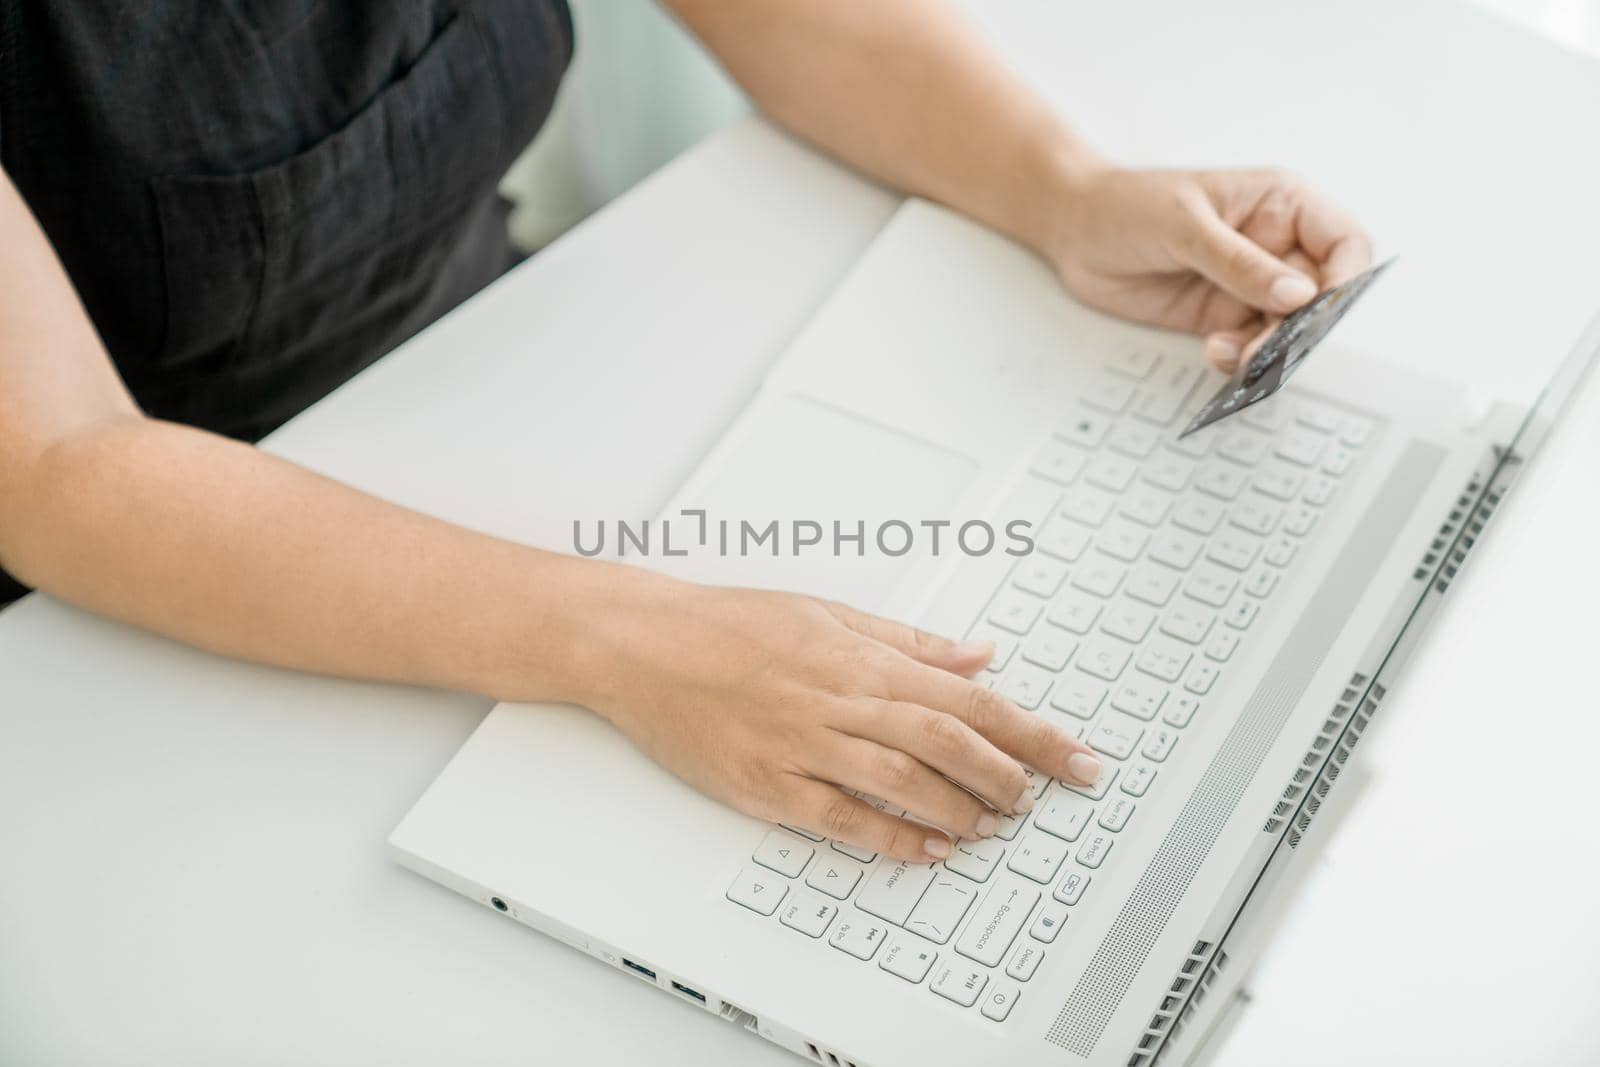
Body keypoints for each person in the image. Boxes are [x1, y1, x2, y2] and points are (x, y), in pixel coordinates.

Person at [0, 0, 1370, 865]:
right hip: (148, 601)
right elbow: (63, 473)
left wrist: (1061, 189)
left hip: (507, 368)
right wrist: (632, 643)